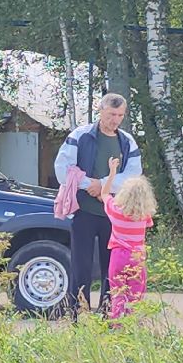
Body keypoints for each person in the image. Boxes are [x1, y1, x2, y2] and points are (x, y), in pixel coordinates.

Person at [52, 92, 142, 318]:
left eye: (120, 115)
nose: (116, 119)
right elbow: (62, 169)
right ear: (100, 111)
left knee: (110, 269)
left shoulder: (127, 142)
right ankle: (75, 314)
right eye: (112, 114)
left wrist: (102, 185)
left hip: (113, 216)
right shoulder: (80, 136)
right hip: (83, 212)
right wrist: (88, 184)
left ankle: (107, 315)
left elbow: (133, 175)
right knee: (80, 267)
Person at [101, 157, 156, 325]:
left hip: (118, 256)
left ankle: (117, 327)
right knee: (136, 297)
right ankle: (134, 328)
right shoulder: (144, 216)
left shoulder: (115, 211)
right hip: (137, 258)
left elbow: (104, 193)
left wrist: (112, 173)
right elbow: (149, 223)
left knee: (118, 295)